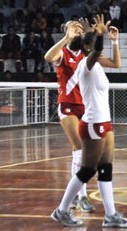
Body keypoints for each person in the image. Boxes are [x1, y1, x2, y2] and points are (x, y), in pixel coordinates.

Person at [51, 14, 127, 228]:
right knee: (87, 169)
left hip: (104, 121)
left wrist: (114, 40)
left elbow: (113, 61)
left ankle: (111, 214)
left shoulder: (93, 63)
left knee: (106, 167)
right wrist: (99, 35)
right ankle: (62, 210)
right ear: (89, 46)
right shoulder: (86, 64)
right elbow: (96, 50)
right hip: (92, 123)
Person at [44, 20, 95, 213]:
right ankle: (82, 196)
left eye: (80, 29)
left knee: (84, 153)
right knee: (79, 148)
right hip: (67, 106)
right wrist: (66, 38)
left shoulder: (85, 55)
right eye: (74, 28)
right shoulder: (63, 53)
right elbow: (48, 57)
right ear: (66, 31)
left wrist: (93, 34)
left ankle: (74, 195)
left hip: (86, 106)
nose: (77, 30)